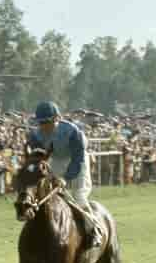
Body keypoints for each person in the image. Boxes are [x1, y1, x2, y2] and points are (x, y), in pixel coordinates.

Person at [27, 101, 103, 249]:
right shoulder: (36, 134)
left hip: (77, 161)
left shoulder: (73, 132)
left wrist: (66, 178)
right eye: (40, 123)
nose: (43, 127)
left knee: (79, 197)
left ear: (57, 118)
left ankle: (95, 230)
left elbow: (78, 158)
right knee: (46, 195)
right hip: (56, 160)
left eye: (47, 122)